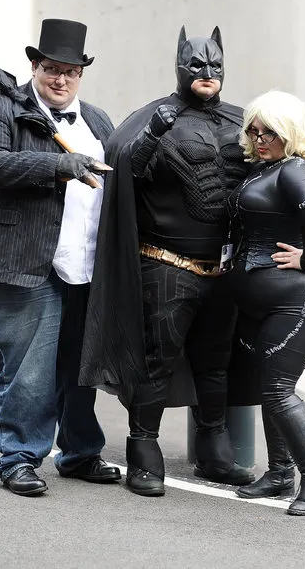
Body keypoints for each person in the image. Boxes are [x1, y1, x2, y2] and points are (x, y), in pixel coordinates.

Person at [80, 25, 255, 497]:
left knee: (215, 362)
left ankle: (214, 450)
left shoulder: (243, 123)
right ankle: (144, 450)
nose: (207, 72)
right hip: (166, 261)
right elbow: (125, 174)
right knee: (157, 360)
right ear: (179, 65)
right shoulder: (153, 120)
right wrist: (154, 133)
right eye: (196, 64)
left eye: (215, 65)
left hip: (222, 268)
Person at [0, 18, 121, 496]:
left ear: (81, 73)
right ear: (34, 65)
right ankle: (19, 458)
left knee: (80, 366)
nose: (60, 78)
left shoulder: (97, 120)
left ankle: (79, 453)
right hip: (20, 263)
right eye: (51, 68)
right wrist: (60, 165)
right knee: (27, 369)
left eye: (70, 71)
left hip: (85, 266)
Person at [224, 90, 305, 516]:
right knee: (266, 385)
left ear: (289, 133)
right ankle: (279, 472)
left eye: (268, 131)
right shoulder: (264, 170)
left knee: (277, 389)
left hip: (301, 296)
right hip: (263, 297)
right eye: (253, 130)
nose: (258, 138)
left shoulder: (294, 169)